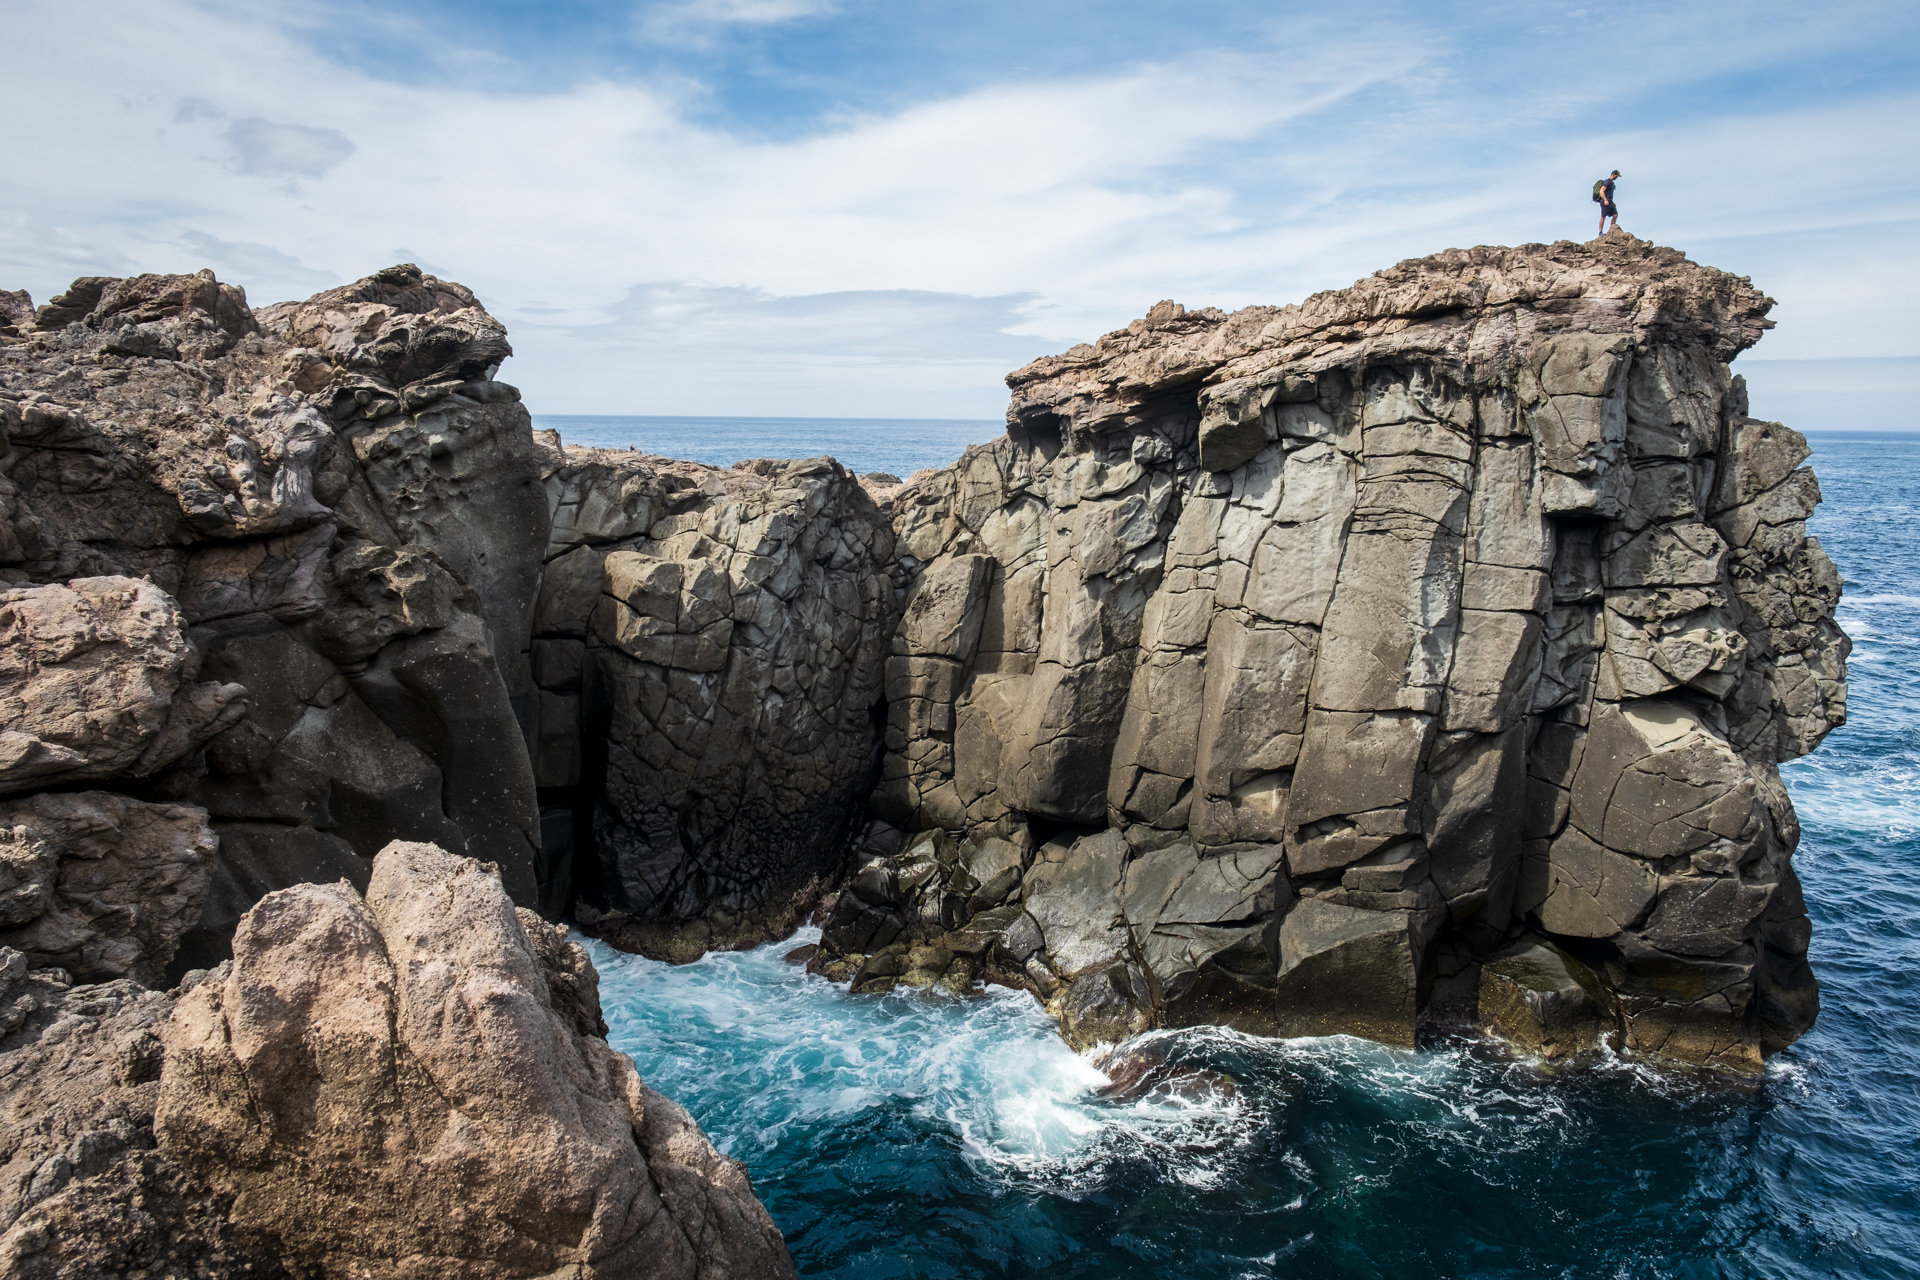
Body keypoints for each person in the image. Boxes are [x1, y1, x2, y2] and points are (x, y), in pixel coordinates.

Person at [1592, 170, 1620, 235]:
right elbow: (1601, 191)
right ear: (1613, 174)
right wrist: (1605, 200)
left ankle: (1612, 231)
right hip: (1605, 201)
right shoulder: (1607, 182)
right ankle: (1600, 232)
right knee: (1603, 216)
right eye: (1617, 176)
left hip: (1610, 201)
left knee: (1615, 215)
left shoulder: (1612, 183)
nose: (1617, 177)